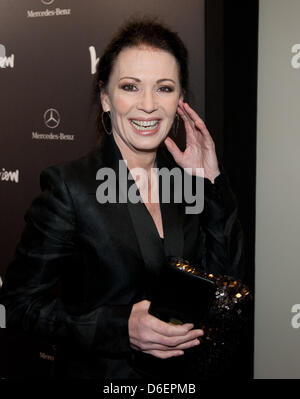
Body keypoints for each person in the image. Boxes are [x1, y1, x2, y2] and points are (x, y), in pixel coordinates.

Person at [0, 16, 244, 379]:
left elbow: (224, 286)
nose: (148, 104)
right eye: (130, 86)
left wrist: (212, 184)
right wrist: (118, 329)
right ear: (105, 97)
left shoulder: (190, 183)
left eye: (164, 88)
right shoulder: (70, 187)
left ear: (180, 99)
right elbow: (20, 305)